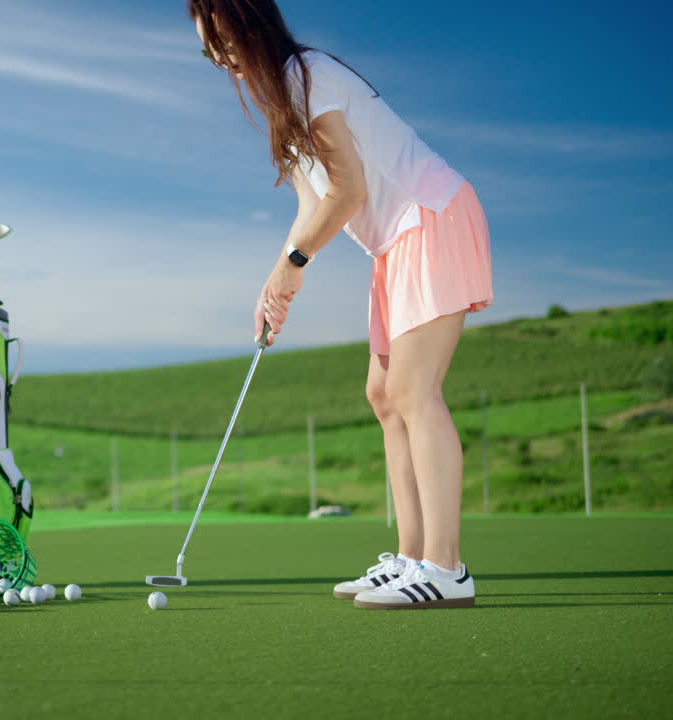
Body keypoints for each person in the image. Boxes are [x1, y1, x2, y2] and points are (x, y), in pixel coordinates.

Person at [189, 0, 493, 609]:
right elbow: (313, 205)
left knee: (414, 391)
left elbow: (349, 189)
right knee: (384, 396)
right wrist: (276, 283)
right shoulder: (285, 102)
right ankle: (412, 558)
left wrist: (294, 264)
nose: (220, 57)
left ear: (251, 25)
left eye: (222, 39)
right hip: (393, 243)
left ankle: (446, 568)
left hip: (428, 216)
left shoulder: (306, 74)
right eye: (207, 48)